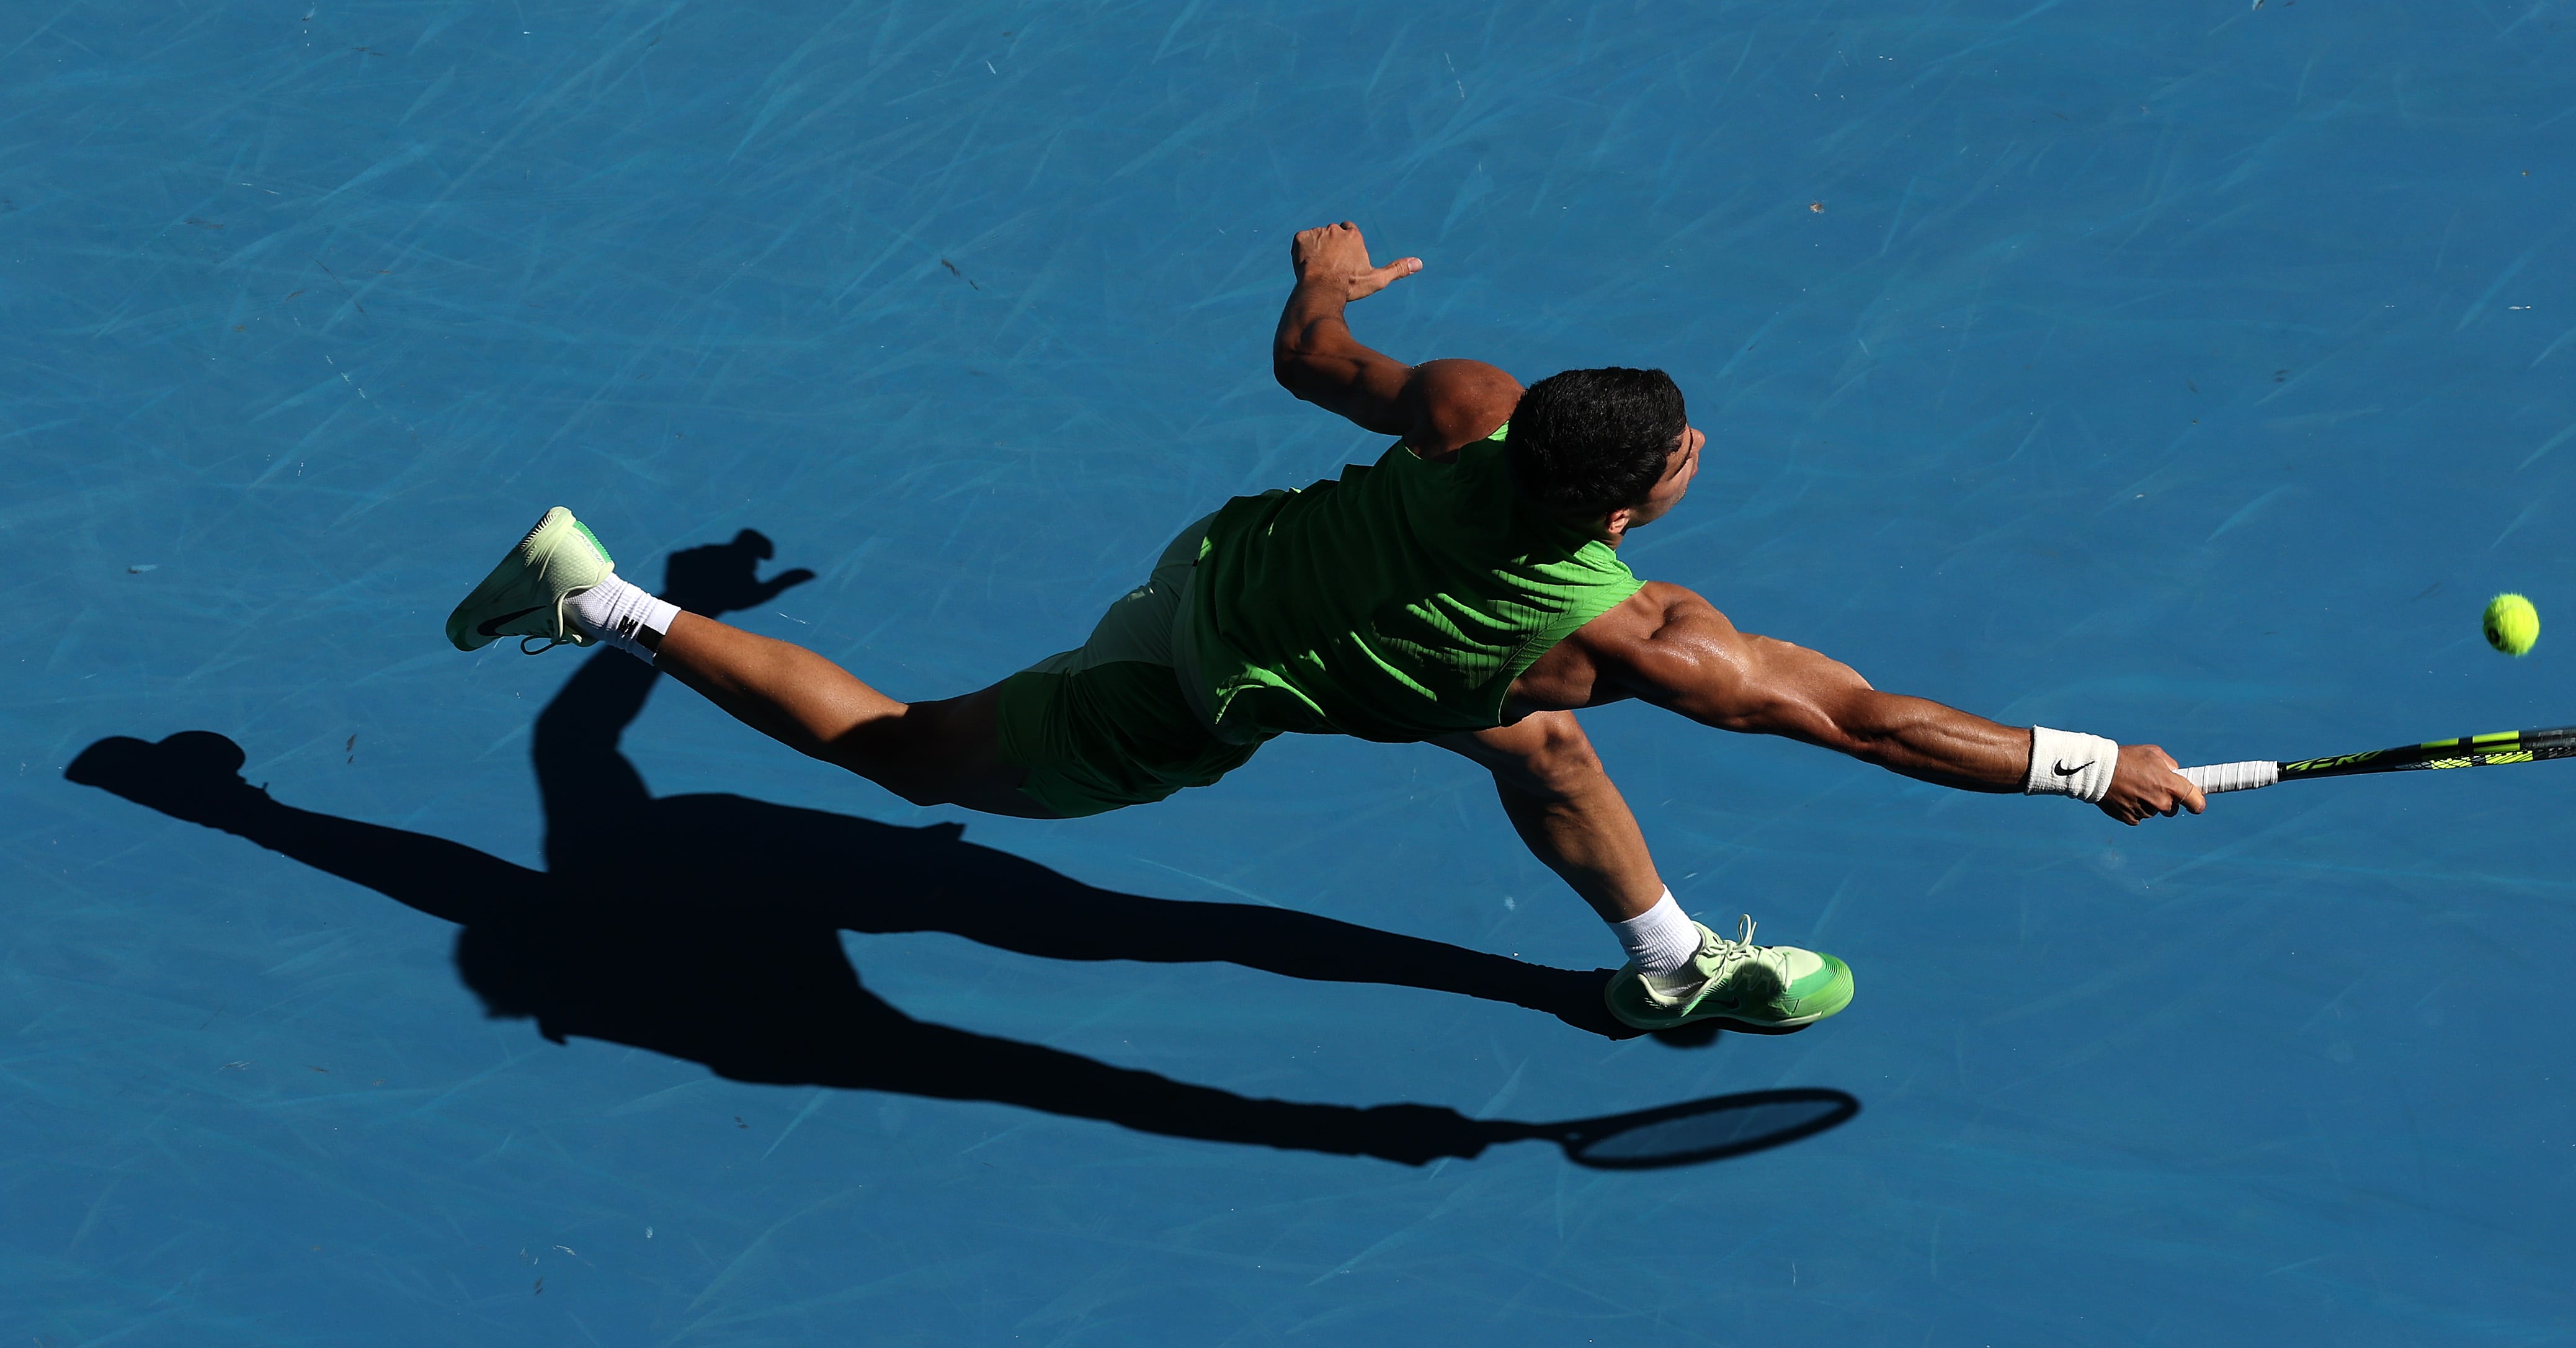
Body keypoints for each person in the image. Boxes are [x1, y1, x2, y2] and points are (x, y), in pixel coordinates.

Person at [445, 221, 2204, 1033]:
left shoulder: (1469, 405)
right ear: (1628, 503)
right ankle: (597, 596)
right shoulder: (1646, 630)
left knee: (1534, 732)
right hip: (1196, 677)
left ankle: (1668, 963)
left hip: (1244, 563)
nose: (1696, 456)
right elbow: (1879, 723)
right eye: (1681, 454)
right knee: (906, 756)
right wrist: (2092, 764)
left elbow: (1303, 355)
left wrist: (1334, 276)